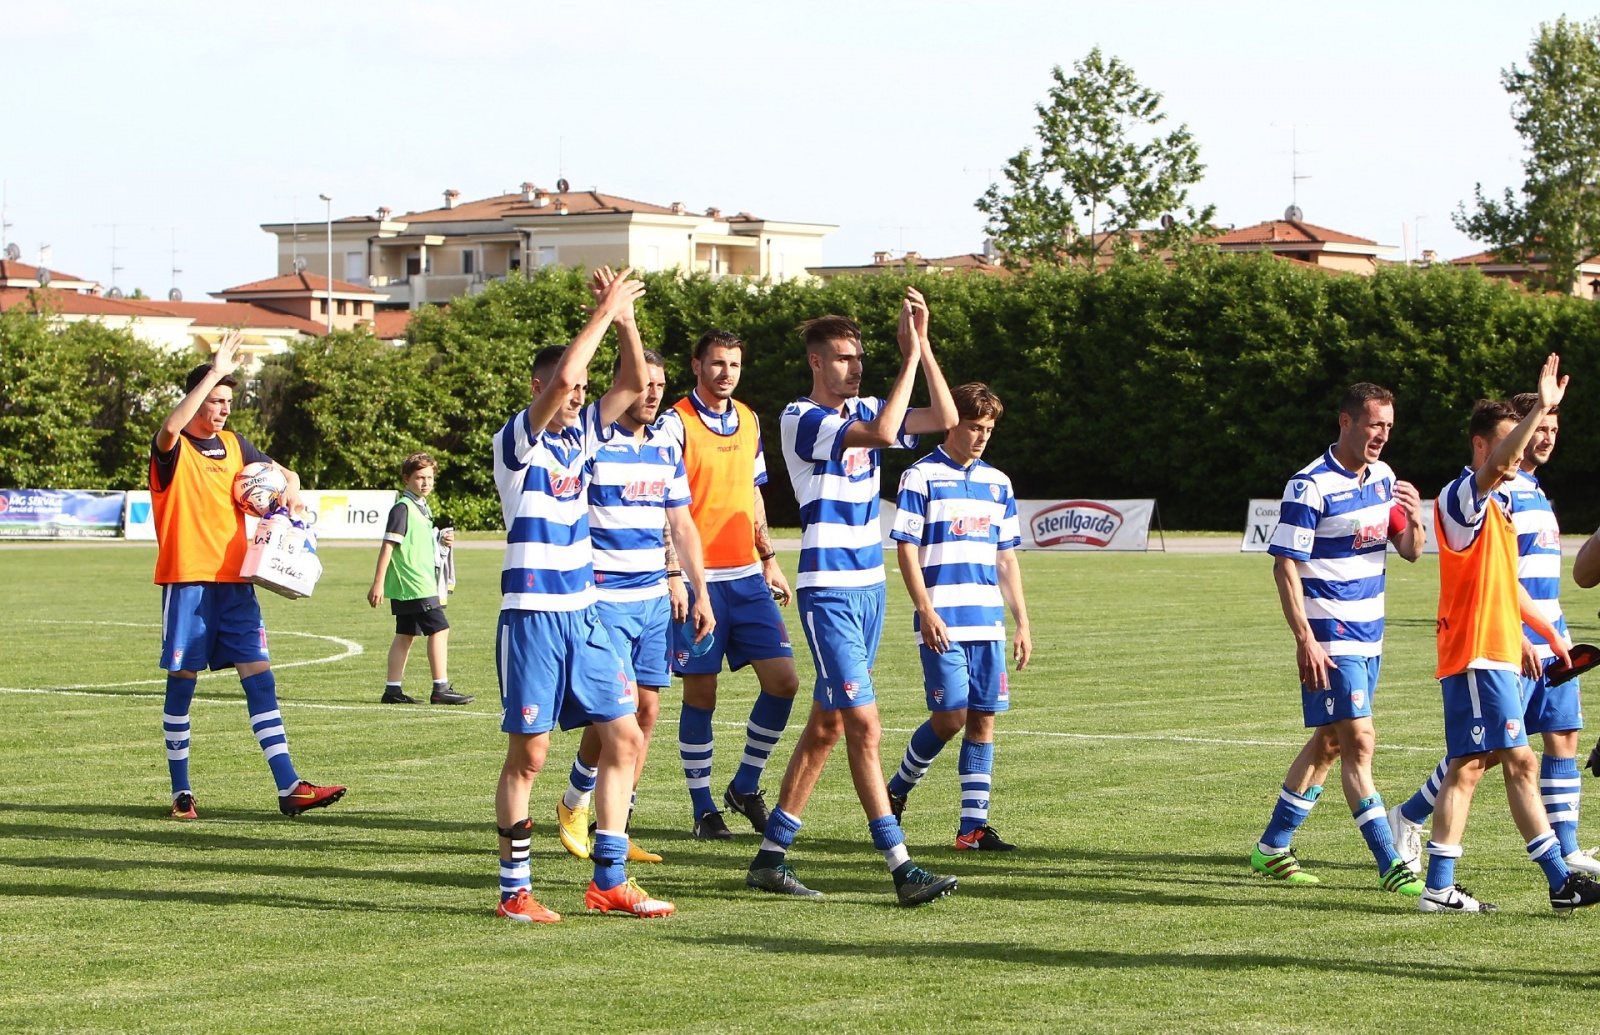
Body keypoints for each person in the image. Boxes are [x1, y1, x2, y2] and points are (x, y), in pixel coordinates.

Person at [747, 287, 960, 906]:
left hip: (869, 587)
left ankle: (770, 856)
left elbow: (943, 419)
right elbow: (892, 427)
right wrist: (905, 361)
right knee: (865, 724)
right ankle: (900, 866)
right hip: (830, 590)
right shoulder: (801, 416)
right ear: (817, 363)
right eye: (843, 357)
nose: (855, 366)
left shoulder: (863, 404)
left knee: (828, 727)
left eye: (859, 356)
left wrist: (919, 345)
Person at [491, 266, 674, 923]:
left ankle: (609, 881)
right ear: (538, 390)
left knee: (623, 737)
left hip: (585, 613)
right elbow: (572, 376)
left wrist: (625, 321)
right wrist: (603, 311)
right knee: (530, 755)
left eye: (580, 393)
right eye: (565, 389)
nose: (578, 396)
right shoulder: (516, 442)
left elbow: (627, 383)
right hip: (533, 618)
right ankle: (514, 891)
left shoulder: (584, 435)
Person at [1412, 357, 1600, 914]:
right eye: (1508, 445)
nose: (1518, 454)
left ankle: (1555, 881)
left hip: (1497, 648)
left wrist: (1550, 633)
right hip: (1475, 651)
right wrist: (1540, 406)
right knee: (1481, 764)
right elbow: (1498, 464)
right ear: (1482, 448)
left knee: (1510, 762)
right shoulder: (1462, 498)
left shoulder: (1499, 508)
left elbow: (1508, 586)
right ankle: (1452, 885)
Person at [150, 330, 345, 820]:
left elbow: (283, 474)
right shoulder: (173, 450)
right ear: (196, 399)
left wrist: (293, 489)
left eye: (228, 401)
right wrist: (212, 369)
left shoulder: (237, 445)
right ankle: (181, 792)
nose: (222, 409)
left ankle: (290, 786)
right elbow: (171, 427)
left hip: (238, 583)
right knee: (183, 680)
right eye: (215, 400)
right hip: (189, 581)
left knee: (261, 677)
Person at [1247, 383, 1424, 897]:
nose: (1382, 435)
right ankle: (1390, 863)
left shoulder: (1385, 478)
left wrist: (1414, 518)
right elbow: (1285, 566)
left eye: (1388, 426)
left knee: (1329, 742)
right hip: (1331, 634)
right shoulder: (1309, 486)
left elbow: (1410, 550)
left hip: (1372, 634)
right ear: (1345, 422)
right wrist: (1305, 637)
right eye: (1374, 424)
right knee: (1359, 742)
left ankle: (1272, 848)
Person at [554, 346, 715, 864]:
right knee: (614, 714)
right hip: (603, 599)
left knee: (647, 711)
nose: (652, 394)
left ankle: (614, 823)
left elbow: (681, 523)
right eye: (643, 383)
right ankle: (576, 801)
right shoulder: (595, 441)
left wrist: (696, 586)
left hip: (652, 600)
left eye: (660, 386)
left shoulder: (666, 446)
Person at [657, 329, 800, 839]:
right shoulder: (674, 423)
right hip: (701, 580)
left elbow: (754, 495)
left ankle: (743, 785)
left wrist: (769, 557)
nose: (726, 373)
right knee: (702, 691)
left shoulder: (750, 418)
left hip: (747, 575)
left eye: (734, 365)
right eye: (717, 364)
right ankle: (702, 809)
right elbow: (665, 508)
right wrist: (677, 575)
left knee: (784, 682)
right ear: (696, 366)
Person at [885, 382, 1031, 850]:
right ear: (952, 424)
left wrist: (1022, 621)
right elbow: (905, 547)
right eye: (973, 427)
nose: (982, 436)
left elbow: (1006, 558)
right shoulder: (920, 476)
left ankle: (972, 829)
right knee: (950, 717)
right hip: (941, 619)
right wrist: (924, 609)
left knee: (983, 719)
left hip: (987, 621)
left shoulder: (998, 483)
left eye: (988, 428)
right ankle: (897, 789)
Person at [366, 452, 473, 706]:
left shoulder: (421, 508)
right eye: (419, 478)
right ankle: (440, 688)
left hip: (416, 583)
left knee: (405, 634)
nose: (425, 482)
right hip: (413, 583)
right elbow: (388, 546)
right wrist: (378, 582)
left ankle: (392, 690)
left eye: (429, 477)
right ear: (406, 479)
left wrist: (441, 540)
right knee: (440, 629)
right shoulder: (403, 508)